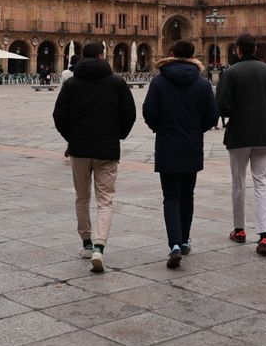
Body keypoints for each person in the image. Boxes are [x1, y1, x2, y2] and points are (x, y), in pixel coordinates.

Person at [52, 42, 136, 273]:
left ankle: (86, 243)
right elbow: (130, 114)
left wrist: (72, 138)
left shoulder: (71, 83)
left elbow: (59, 115)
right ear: (102, 55)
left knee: (81, 198)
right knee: (105, 200)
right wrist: (117, 135)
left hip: (79, 149)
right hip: (107, 150)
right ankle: (100, 246)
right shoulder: (117, 82)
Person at [143, 40, 218, 269]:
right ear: (193, 55)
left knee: (171, 196)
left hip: (167, 145)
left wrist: (161, 128)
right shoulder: (203, 83)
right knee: (188, 194)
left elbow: (149, 112)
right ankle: (184, 240)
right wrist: (196, 130)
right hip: (192, 145)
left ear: (173, 54)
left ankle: (174, 244)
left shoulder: (159, 81)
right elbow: (212, 116)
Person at [217, 33, 266, 257]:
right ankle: (264, 235)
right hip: (264, 133)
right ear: (255, 49)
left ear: (238, 50)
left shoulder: (230, 73)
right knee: (262, 182)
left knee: (238, 182)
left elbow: (223, 106)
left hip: (238, 134)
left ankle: (239, 230)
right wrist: (265, 112)